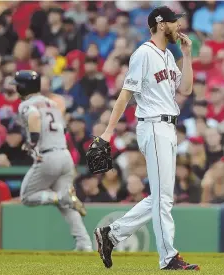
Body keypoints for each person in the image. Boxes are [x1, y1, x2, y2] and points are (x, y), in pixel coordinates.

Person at [94, 6, 199, 270]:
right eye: (174, 22)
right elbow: (125, 94)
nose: (178, 26)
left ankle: (112, 234)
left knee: (161, 197)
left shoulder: (166, 54)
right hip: (153, 125)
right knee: (163, 198)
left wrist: (186, 55)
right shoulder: (144, 53)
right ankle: (168, 258)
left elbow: (185, 88)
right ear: (161, 24)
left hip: (167, 127)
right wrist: (108, 131)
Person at [10, 70, 92, 251]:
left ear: (23, 87)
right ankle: (84, 243)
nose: (15, 88)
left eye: (17, 85)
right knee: (66, 205)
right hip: (64, 155)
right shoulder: (53, 104)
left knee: (27, 196)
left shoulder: (26, 104)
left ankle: (61, 196)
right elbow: (62, 130)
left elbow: (34, 117)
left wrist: (32, 142)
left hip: (48, 157)